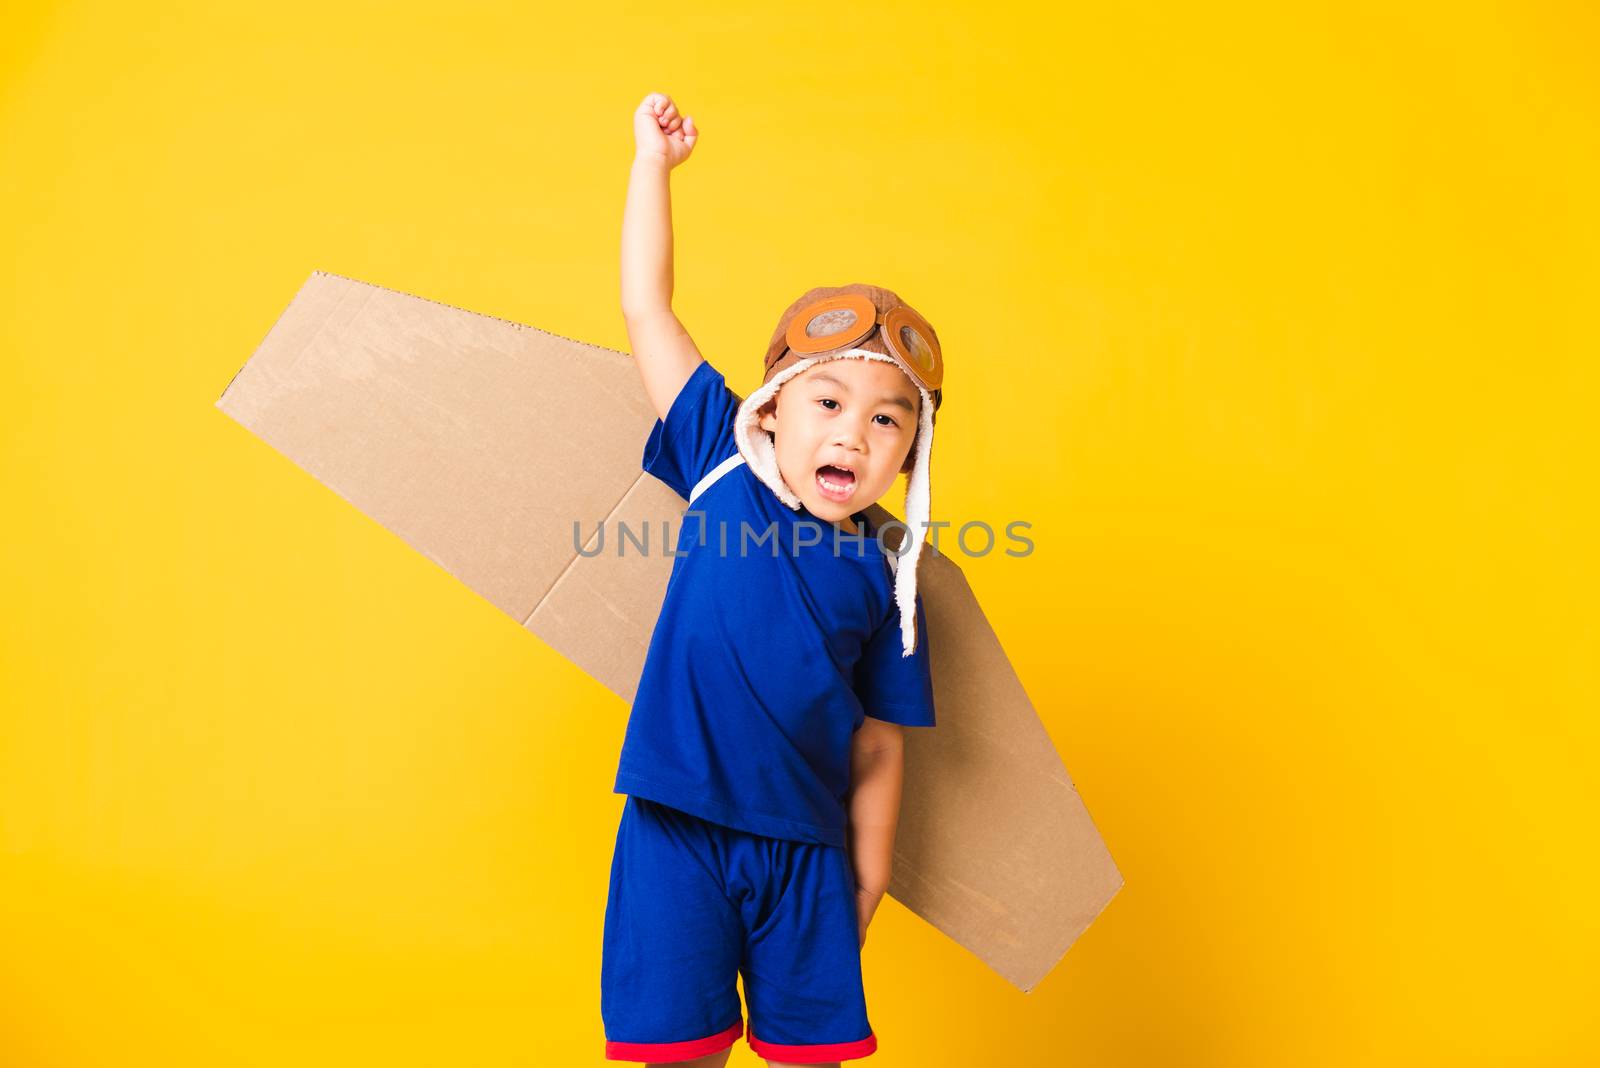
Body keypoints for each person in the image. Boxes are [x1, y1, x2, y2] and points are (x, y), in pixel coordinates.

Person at [603, 90, 945, 1067]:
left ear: (908, 457)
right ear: (771, 410)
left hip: (808, 856)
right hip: (675, 834)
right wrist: (649, 168)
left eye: (888, 420)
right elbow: (644, 307)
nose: (852, 431)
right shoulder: (716, 455)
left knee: (810, 1058)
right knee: (675, 1053)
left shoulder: (889, 578)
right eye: (829, 400)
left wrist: (867, 881)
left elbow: (880, 747)